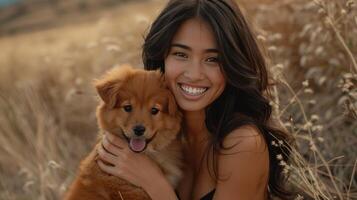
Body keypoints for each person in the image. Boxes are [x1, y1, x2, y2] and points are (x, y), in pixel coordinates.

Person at [96, 0, 294, 199]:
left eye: (212, 59)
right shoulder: (161, 134)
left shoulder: (242, 143)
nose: (194, 74)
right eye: (181, 54)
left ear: (233, 64)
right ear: (162, 56)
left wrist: (154, 182)